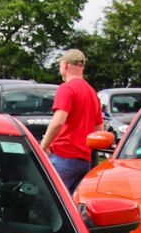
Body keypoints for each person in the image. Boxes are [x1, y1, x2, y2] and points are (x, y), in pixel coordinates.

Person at [38, 49, 101, 195]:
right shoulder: (92, 93)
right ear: (82, 67)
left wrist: (44, 145)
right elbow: (99, 131)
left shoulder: (66, 88)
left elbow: (58, 122)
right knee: (72, 209)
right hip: (85, 160)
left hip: (63, 156)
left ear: (65, 65)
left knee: (48, 201)